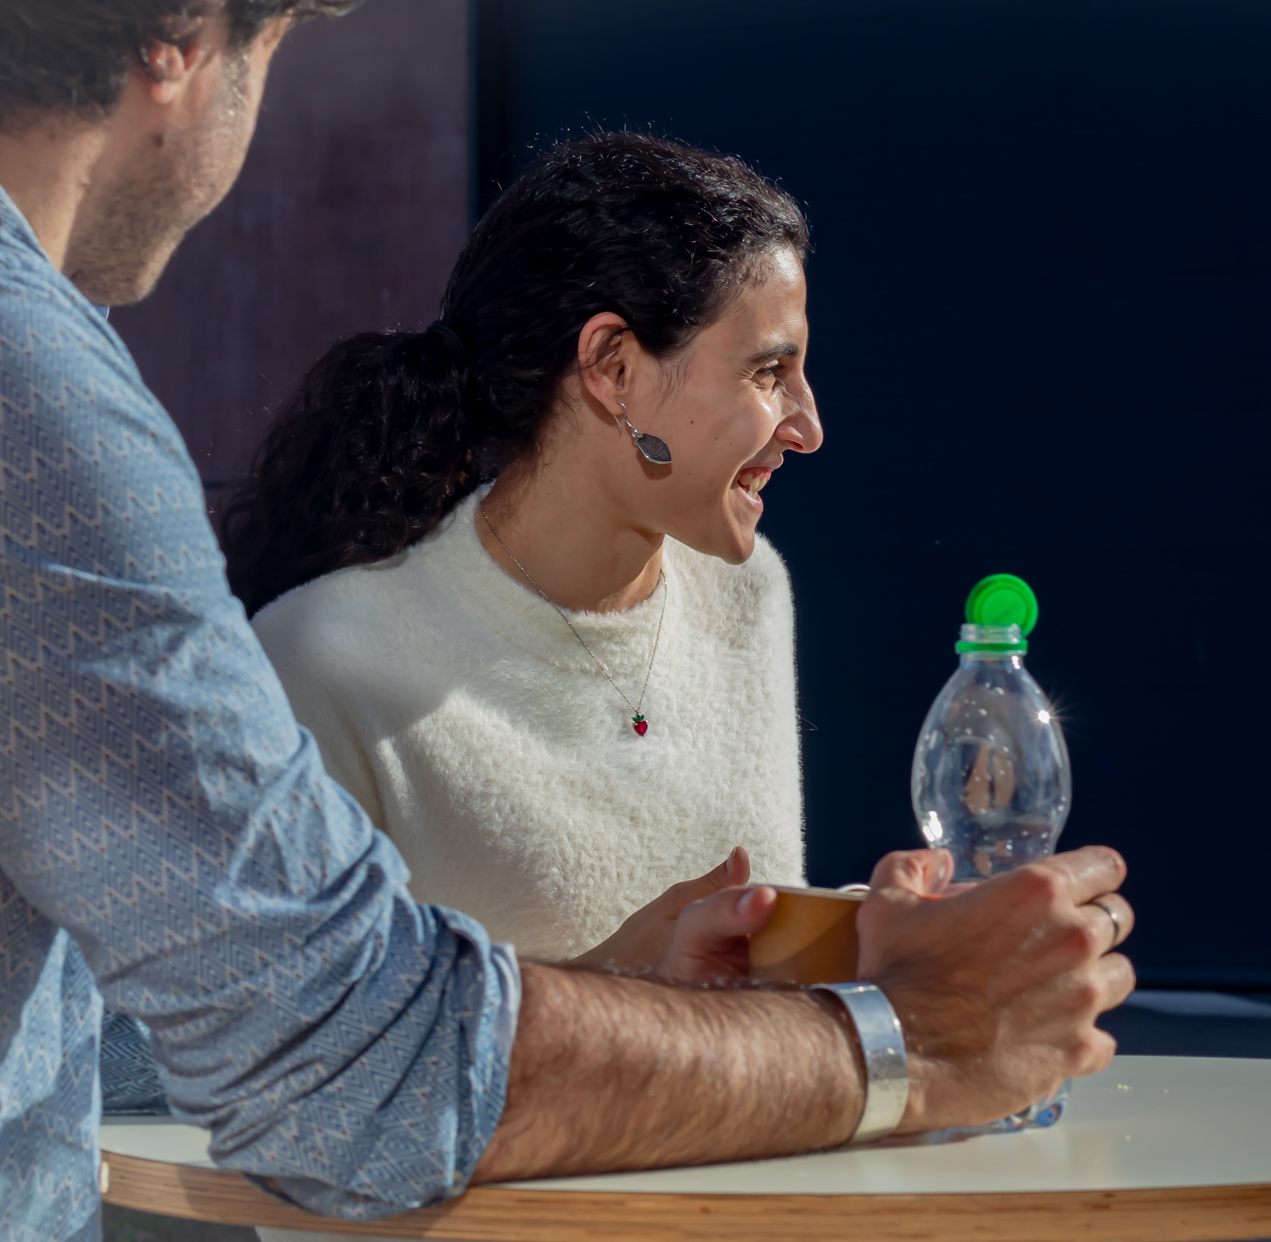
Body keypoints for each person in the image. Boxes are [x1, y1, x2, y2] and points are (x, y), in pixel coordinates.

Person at [0, 4, 1134, 1239]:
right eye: (272, 39)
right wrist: (919, 1033)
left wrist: (662, 982)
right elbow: (340, 1063)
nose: (809, 425)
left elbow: (195, 1020)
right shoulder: (45, 418)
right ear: (175, 40)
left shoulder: (749, 595)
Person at [219, 133, 814, 975]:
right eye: (769, 372)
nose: (807, 426)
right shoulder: (322, 666)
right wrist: (621, 987)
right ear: (613, 368)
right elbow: (285, 1024)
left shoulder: (749, 593)